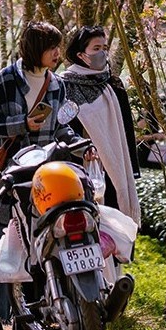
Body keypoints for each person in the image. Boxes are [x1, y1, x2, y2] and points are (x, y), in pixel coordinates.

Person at [0, 21, 68, 330]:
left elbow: (60, 126)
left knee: (40, 244)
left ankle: (28, 317)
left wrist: (78, 145)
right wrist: (23, 125)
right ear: (36, 49)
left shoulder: (56, 85)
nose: (58, 54)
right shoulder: (4, 80)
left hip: (45, 174)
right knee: (0, 241)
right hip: (9, 174)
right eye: (52, 48)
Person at [61, 26, 139, 221]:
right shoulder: (64, 86)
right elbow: (63, 127)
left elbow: (126, 133)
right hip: (79, 167)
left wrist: (133, 171)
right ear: (81, 54)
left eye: (105, 47)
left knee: (115, 227)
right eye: (96, 49)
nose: (102, 53)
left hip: (114, 166)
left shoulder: (114, 85)